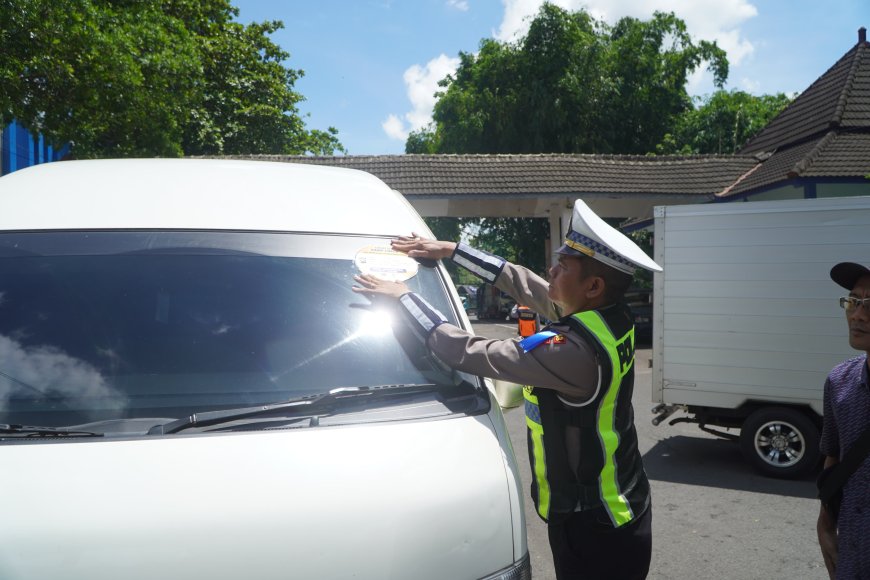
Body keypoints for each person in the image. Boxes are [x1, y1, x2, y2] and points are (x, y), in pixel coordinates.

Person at [353, 199, 661, 580]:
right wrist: (452, 250)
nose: (551, 271)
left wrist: (403, 296)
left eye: (563, 266)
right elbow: (521, 281)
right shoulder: (609, 316)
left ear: (593, 286)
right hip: (624, 506)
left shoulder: (573, 352)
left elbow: (466, 350)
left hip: (596, 529)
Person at [817, 261, 870, 579]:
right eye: (853, 301)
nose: (857, 315)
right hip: (851, 559)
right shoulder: (839, 381)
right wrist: (825, 525)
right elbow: (834, 460)